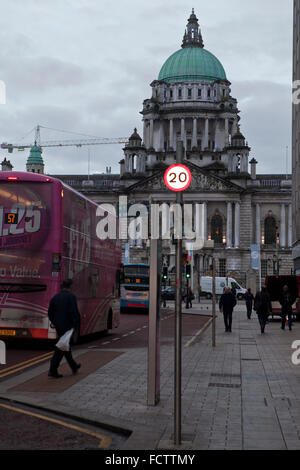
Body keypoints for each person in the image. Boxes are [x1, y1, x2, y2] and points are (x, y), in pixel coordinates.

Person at [48, 279, 81, 378]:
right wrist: (75, 325)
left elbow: (50, 312)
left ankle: (73, 366)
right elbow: (74, 312)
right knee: (61, 347)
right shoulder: (71, 297)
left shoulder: (55, 297)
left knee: (65, 345)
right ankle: (52, 370)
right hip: (68, 326)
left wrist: (54, 322)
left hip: (58, 325)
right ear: (70, 286)